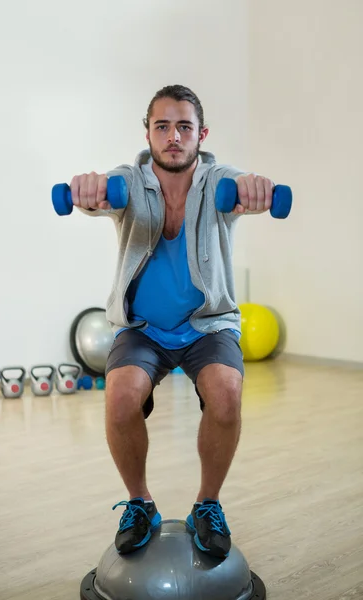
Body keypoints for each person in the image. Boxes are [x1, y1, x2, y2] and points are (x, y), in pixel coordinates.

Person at [70, 84, 274, 560]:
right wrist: (85, 191)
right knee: (119, 399)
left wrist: (257, 189)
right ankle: (140, 504)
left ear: (201, 134)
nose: (173, 136)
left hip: (208, 325)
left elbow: (245, 186)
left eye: (184, 126)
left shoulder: (220, 181)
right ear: (148, 133)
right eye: (162, 126)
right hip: (142, 329)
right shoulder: (129, 180)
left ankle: (208, 504)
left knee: (226, 394)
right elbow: (98, 196)